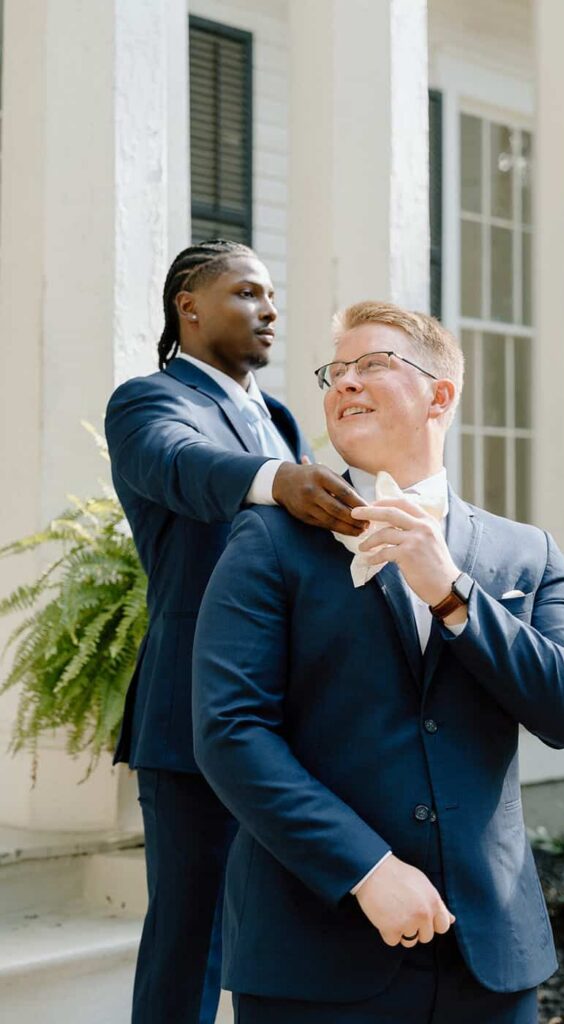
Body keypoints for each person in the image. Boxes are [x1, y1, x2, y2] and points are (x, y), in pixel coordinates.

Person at [192, 300, 564, 1024]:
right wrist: (365, 869)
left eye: (373, 364)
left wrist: (452, 594)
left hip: (490, 959)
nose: (345, 382)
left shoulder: (526, 552)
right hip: (313, 956)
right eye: (335, 371)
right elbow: (230, 731)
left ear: (439, 396)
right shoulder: (267, 539)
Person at [104, 239, 364, 1024]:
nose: (270, 310)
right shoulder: (149, 403)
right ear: (188, 305)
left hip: (296, 723)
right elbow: (179, 464)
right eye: (247, 293)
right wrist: (276, 480)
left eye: (271, 295)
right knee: (191, 942)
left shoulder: (277, 416)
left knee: (290, 934)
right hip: (195, 717)